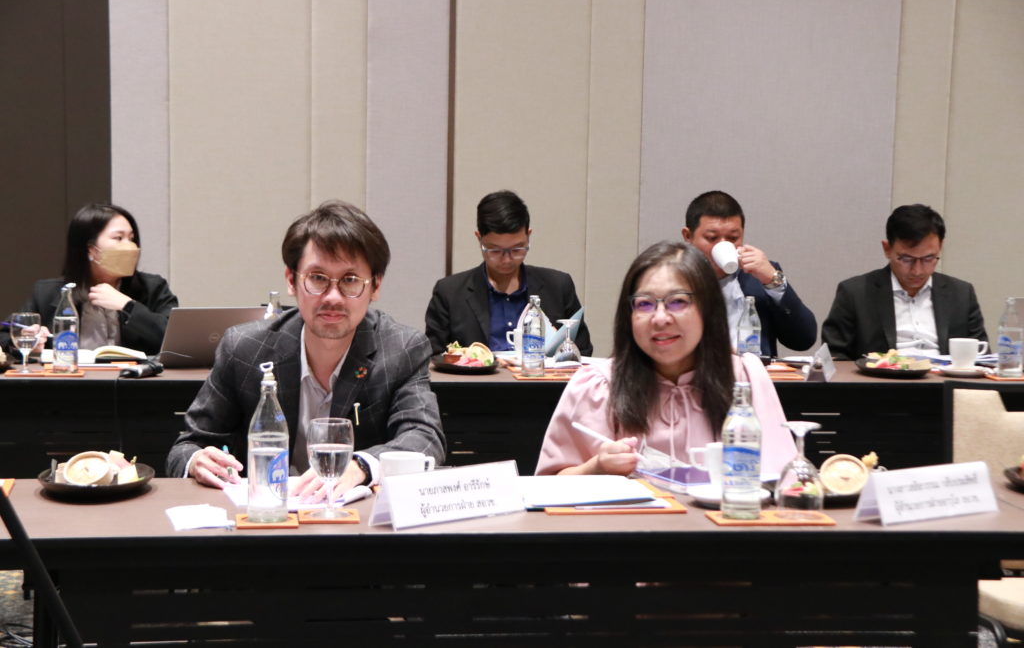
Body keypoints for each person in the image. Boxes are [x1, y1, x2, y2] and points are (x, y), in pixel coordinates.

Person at [166, 200, 445, 500]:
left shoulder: (401, 349)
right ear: (291, 280)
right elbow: (186, 448)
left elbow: (424, 439)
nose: (333, 297)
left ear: (375, 286)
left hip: (356, 520)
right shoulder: (245, 349)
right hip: (264, 516)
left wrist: (361, 465)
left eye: (350, 280)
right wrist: (197, 461)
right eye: (318, 278)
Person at [535, 241, 795, 477]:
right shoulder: (598, 385)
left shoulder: (744, 377)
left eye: (678, 302)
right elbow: (549, 488)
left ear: (708, 310)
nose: (660, 318)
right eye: (644, 304)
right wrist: (596, 467)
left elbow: (784, 480)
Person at [425, 190, 593, 356]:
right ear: (479, 238)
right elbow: (435, 358)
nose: (506, 259)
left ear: (528, 235)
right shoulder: (450, 292)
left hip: (540, 374)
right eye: (495, 250)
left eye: (517, 249)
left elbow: (583, 352)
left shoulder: (558, 286)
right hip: (478, 375)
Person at [2, 203, 177, 357]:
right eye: (118, 238)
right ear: (91, 250)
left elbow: (176, 340)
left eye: (131, 238)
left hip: (134, 381)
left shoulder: (152, 287)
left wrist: (128, 306)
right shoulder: (47, 293)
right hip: (70, 380)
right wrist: (27, 339)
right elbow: (5, 333)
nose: (130, 246)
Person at [822, 204, 987, 360]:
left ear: (940, 247)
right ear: (887, 249)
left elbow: (982, 357)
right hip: (883, 379)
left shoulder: (961, 294)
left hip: (945, 379)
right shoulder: (855, 293)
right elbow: (835, 358)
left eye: (928, 258)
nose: (917, 271)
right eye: (907, 259)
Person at [681, 190, 816, 357]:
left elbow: (803, 340)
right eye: (711, 238)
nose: (724, 245)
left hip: (754, 371)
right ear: (688, 236)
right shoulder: (671, 279)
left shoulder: (760, 276)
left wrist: (773, 281)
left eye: (733, 238)